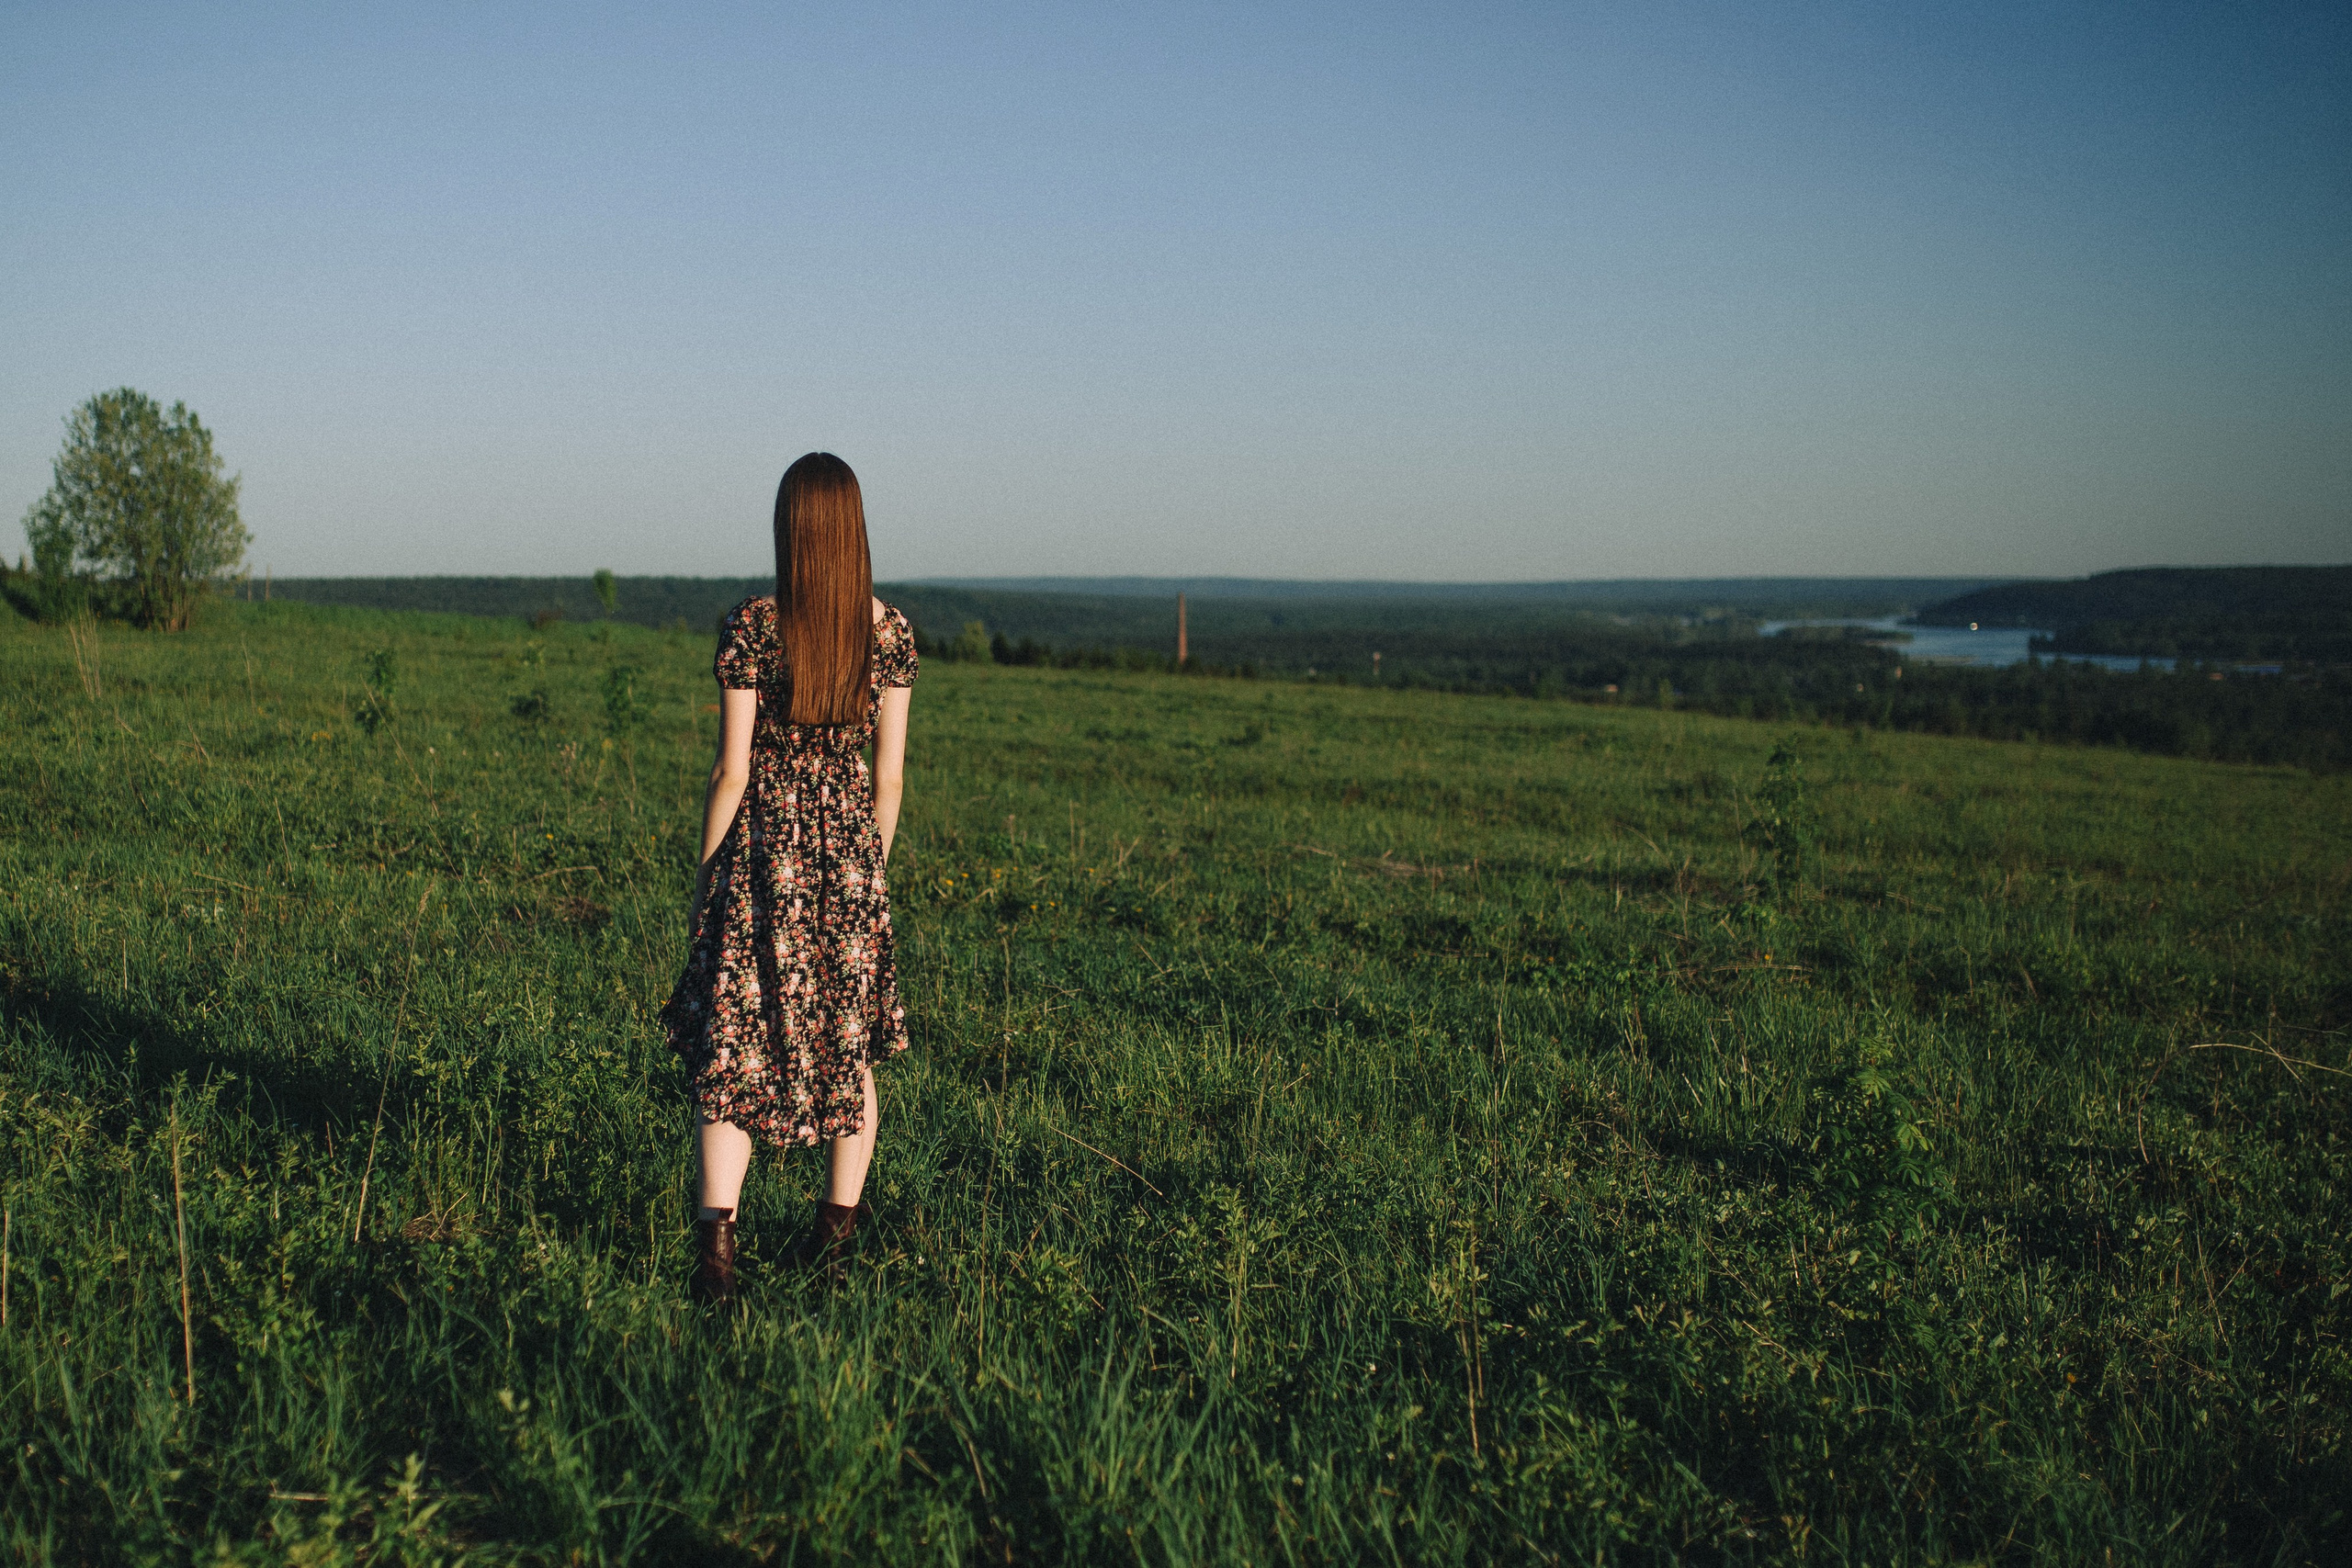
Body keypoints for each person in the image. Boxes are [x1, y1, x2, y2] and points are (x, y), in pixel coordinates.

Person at [662, 453, 918, 1303]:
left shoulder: (751, 627)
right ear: (853, 532)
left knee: (732, 1044)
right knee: (851, 1051)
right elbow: (890, 780)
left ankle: (717, 1259)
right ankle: (834, 1244)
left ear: (790, 530)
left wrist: (708, 877)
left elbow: (730, 771)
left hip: (764, 856)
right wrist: (865, 874)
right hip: (850, 862)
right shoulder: (891, 633)